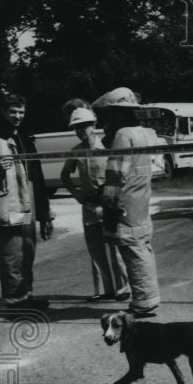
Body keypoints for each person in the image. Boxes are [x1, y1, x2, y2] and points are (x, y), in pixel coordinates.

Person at [0, 93, 54, 309]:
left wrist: (45, 212)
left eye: (21, 112)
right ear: (2, 111)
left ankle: (25, 296)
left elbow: (36, 173)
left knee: (27, 252)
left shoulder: (22, 136)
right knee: (11, 254)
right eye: (13, 112)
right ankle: (14, 302)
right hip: (6, 203)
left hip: (26, 201)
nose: (18, 116)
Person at [94, 87, 161, 318]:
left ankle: (144, 302)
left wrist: (108, 201)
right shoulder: (142, 132)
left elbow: (116, 175)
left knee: (133, 253)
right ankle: (149, 298)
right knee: (143, 250)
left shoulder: (123, 134)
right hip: (140, 201)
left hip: (125, 204)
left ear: (116, 113)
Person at [59, 99, 130, 302]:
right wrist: (76, 194)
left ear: (94, 125)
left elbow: (119, 174)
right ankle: (105, 290)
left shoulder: (106, 148)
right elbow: (65, 175)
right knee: (95, 248)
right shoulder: (75, 152)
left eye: (84, 126)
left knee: (114, 246)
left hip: (107, 203)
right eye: (76, 128)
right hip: (89, 205)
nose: (81, 131)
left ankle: (122, 288)